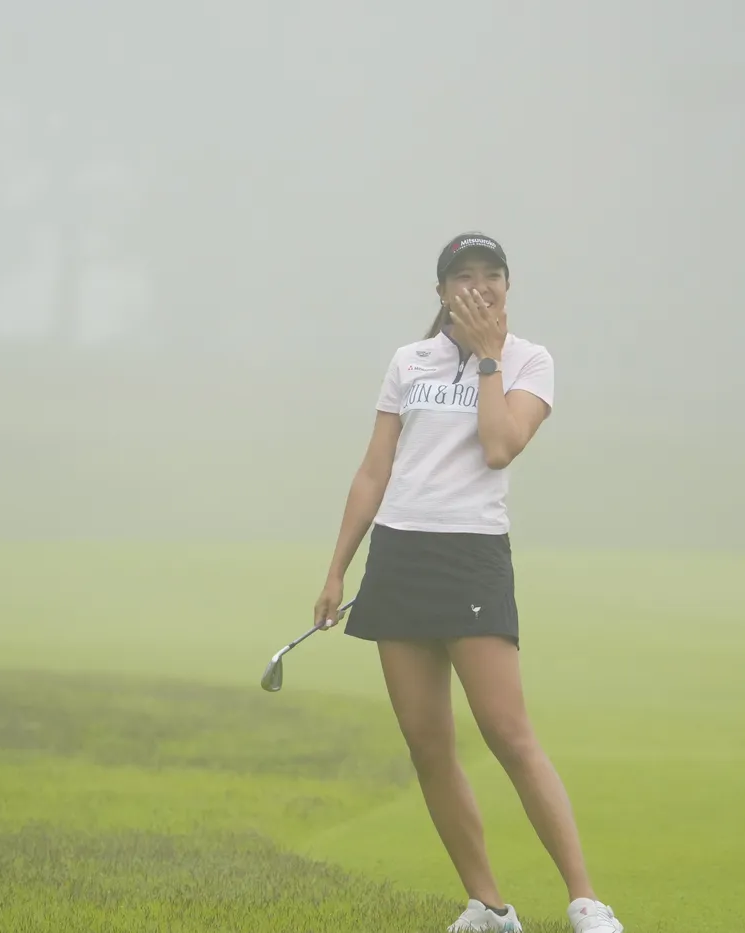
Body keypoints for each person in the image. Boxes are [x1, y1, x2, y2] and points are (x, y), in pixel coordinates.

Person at [312, 232, 625, 933]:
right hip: (398, 556)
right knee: (428, 746)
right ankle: (489, 905)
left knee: (508, 734)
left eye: (492, 275)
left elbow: (500, 445)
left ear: (508, 287)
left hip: (472, 556)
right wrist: (337, 568)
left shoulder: (529, 361)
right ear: (442, 291)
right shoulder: (409, 360)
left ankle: (586, 901)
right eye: (464, 276)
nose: (479, 286)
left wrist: (487, 359)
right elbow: (374, 470)